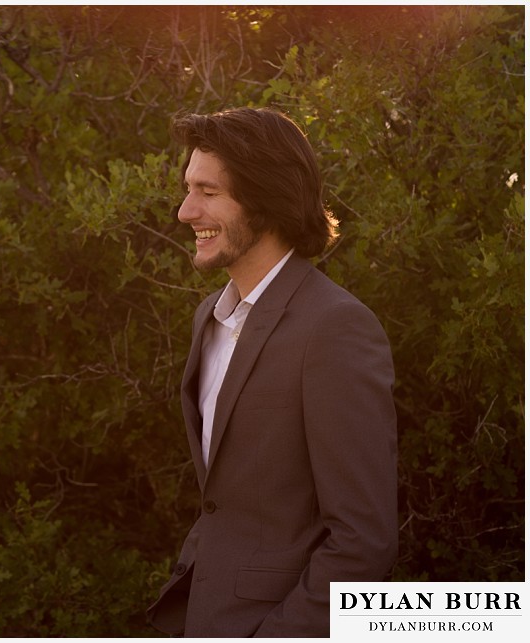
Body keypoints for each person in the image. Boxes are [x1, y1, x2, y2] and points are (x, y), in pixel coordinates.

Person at [146, 108, 398, 637]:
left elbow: (362, 540)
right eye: (188, 188)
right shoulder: (208, 318)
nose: (185, 210)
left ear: (266, 198)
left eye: (208, 192)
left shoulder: (335, 328)